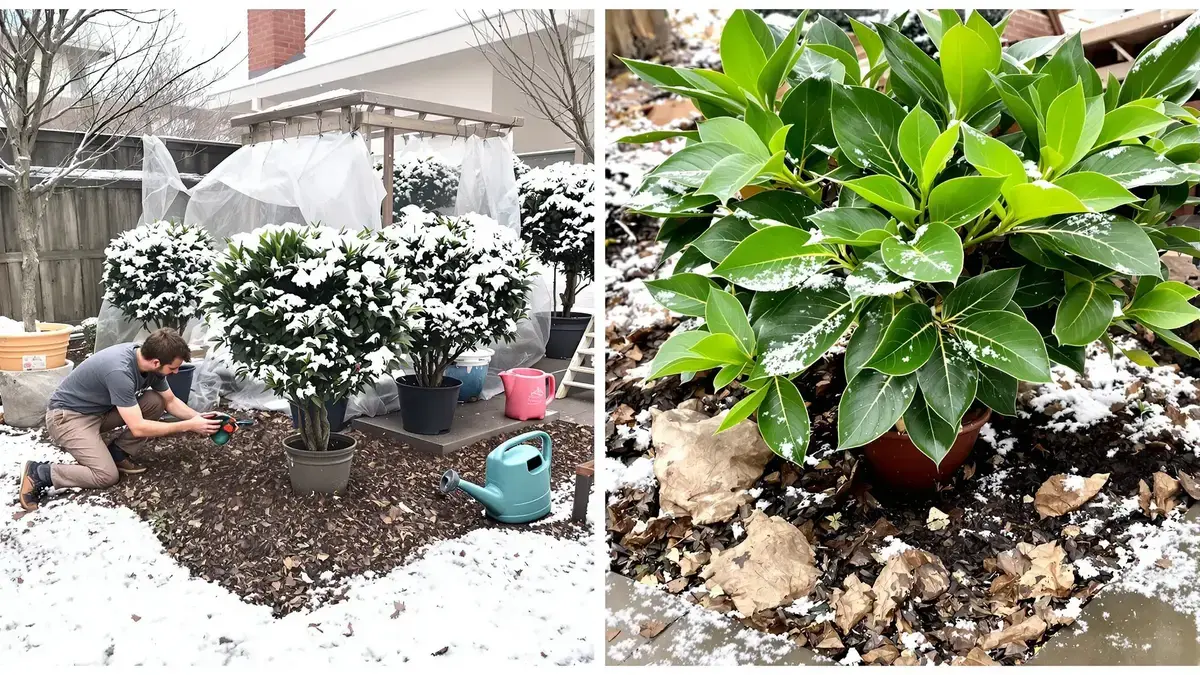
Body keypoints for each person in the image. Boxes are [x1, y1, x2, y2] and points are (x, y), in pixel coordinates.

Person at [17, 328, 222, 511]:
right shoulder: (120, 371)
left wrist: (202, 418)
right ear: (156, 362)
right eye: (173, 368)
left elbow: (170, 401)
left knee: (155, 401)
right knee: (106, 476)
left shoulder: (149, 362)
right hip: (67, 418)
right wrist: (188, 426)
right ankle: (40, 473)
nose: (176, 372)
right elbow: (139, 428)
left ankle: (118, 453)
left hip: (99, 411)